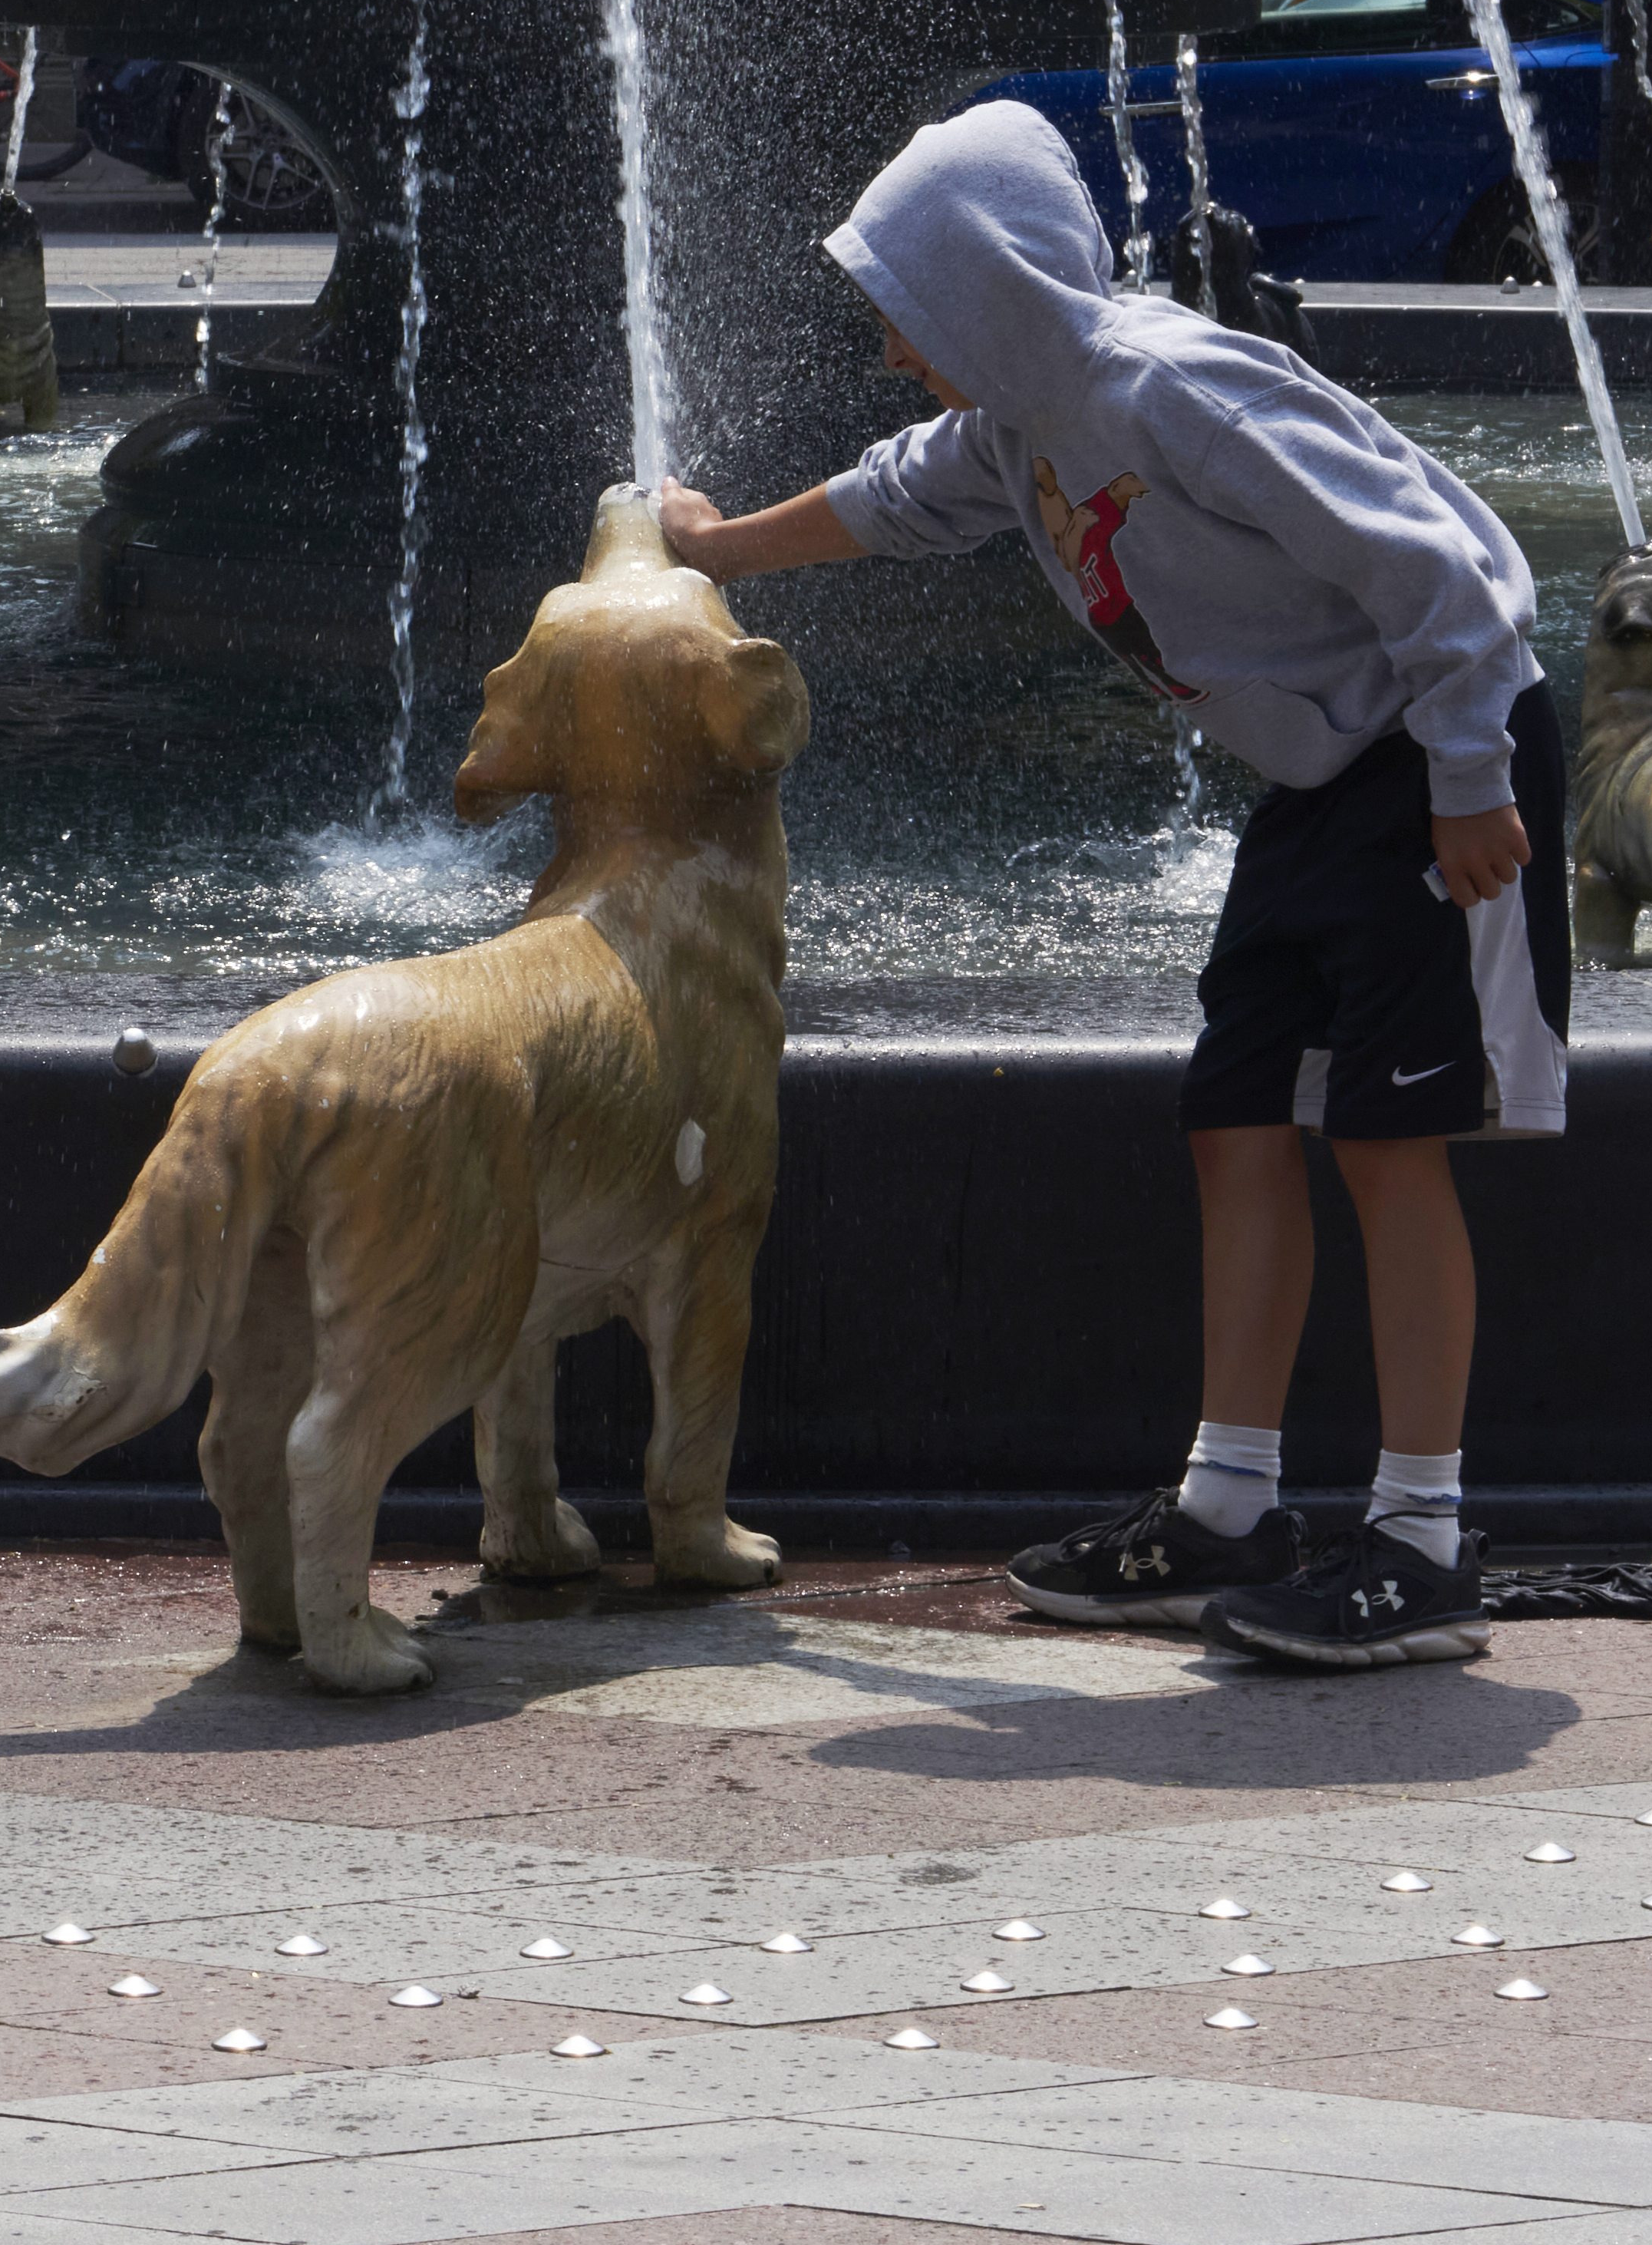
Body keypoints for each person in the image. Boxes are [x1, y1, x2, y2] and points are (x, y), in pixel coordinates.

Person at [655, 104, 1562, 1669]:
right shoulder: (1022, 423)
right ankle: (1230, 1501)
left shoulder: (1169, 387)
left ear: (990, 286)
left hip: (1431, 751)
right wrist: (717, 547)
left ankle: (1424, 1537)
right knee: (1234, 1115)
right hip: (1326, 778)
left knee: (1390, 1140)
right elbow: (888, 497)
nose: (891, 353)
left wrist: (1473, 779)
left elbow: (1441, 565)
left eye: (904, 315)